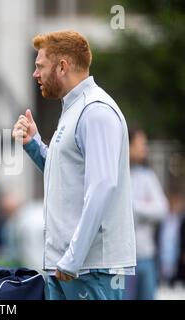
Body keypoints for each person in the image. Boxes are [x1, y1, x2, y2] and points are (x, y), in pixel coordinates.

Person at [12, 30, 136, 300]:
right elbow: (65, 179)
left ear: (62, 66)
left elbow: (102, 186)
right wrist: (34, 144)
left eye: (39, 66)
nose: (35, 74)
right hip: (68, 268)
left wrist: (73, 258)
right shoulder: (75, 109)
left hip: (89, 270)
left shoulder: (96, 111)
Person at [124, 128, 168, 300]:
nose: (145, 149)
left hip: (146, 258)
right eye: (140, 144)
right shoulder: (117, 174)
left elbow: (162, 209)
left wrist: (134, 207)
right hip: (124, 262)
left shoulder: (148, 176)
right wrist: (147, 205)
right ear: (128, 146)